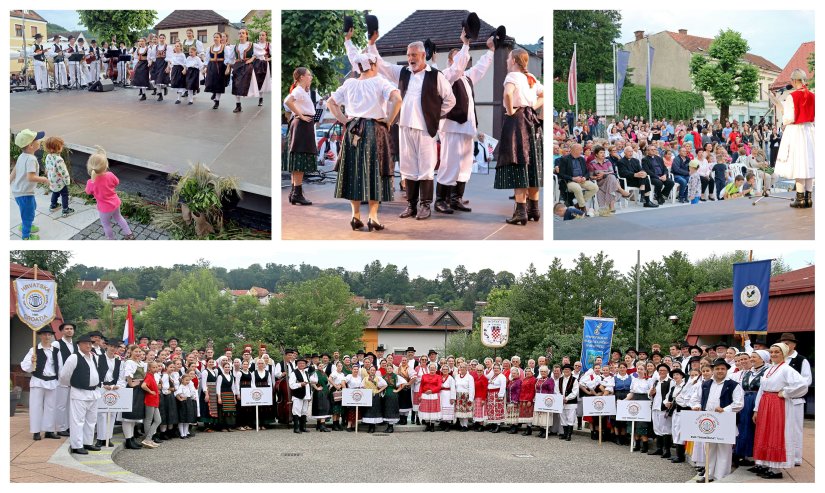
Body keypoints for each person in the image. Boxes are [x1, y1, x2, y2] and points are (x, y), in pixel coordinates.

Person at [369, 34, 456, 221]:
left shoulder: (436, 75)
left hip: (425, 129)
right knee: (408, 167)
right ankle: (411, 205)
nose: (410, 59)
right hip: (404, 126)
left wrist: (435, 116)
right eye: (408, 55)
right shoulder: (403, 72)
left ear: (423, 55)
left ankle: (425, 206)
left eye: (414, 55)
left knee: (425, 167)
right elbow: (381, 65)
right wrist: (371, 44)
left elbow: (450, 100)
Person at [326, 53, 402, 231]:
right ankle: (373, 217)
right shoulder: (379, 81)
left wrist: (345, 120)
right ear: (373, 65)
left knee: (355, 171)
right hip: (374, 129)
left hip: (353, 129)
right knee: (375, 170)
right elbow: (397, 99)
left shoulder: (349, 83)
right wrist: (390, 120)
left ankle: (355, 216)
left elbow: (331, 102)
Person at [436, 30, 494, 214]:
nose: (463, 61)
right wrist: (465, 44)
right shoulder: (446, 75)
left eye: (465, 58)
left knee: (465, 165)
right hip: (452, 127)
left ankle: (456, 198)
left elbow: (480, 68)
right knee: (449, 164)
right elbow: (456, 69)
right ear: (450, 61)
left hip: (466, 128)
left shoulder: (467, 78)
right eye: (459, 58)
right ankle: (440, 200)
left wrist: (491, 51)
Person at [494, 48, 544, 224]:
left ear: (514, 60)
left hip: (517, 122)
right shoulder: (531, 78)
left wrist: (511, 110)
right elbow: (544, 95)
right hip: (532, 121)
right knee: (532, 166)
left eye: (508, 58)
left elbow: (507, 94)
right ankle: (534, 210)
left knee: (519, 163)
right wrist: (532, 107)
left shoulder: (513, 76)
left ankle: (521, 212)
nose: (507, 61)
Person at [752, 343, 809, 479]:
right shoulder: (769, 369)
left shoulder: (786, 369)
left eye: (777, 352)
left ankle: (776, 470)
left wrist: (786, 393)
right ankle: (767, 464)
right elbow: (762, 389)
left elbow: (802, 384)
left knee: (776, 433)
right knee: (766, 433)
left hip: (778, 405)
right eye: (771, 352)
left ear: (783, 353)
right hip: (766, 403)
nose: (773, 354)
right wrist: (756, 409)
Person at [689, 358, 744, 482]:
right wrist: (696, 406)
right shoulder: (705, 384)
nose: (720, 371)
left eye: (722, 369)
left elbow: (739, 403)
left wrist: (725, 409)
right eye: (717, 368)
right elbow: (695, 399)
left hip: (725, 420)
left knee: (724, 449)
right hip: (708, 420)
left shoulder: (733, 385)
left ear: (726, 370)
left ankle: (721, 477)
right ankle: (709, 475)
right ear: (713, 370)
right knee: (709, 448)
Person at [772, 69, 815, 208]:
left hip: (796, 131)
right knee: (809, 164)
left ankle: (800, 198)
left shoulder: (792, 96)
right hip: (809, 130)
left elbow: (789, 118)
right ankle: (809, 198)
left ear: (795, 80)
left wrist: (782, 110)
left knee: (799, 163)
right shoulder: (813, 96)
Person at [57, 334, 102, 455]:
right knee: (78, 420)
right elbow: (64, 376)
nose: (88, 345)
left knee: (91, 420)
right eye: (85, 343)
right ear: (79, 344)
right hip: (79, 392)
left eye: (90, 343)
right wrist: (74, 384)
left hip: (93, 393)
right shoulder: (74, 357)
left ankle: (88, 442)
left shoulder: (93, 357)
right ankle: (77, 445)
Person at [283, 67, 317, 207]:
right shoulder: (298, 90)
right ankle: (297, 194)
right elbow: (287, 101)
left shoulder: (302, 91)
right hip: (302, 125)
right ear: (302, 77)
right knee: (299, 160)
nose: (311, 77)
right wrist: (301, 115)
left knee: (298, 159)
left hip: (302, 126)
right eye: (309, 75)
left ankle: (294, 193)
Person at [778, 332, 812, 467]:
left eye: (788, 343)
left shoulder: (801, 360)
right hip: (778, 399)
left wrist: (787, 391)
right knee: (781, 429)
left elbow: (806, 381)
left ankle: (796, 457)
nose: (785, 345)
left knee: (795, 429)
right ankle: (782, 455)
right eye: (783, 343)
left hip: (795, 400)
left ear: (794, 345)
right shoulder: (778, 359)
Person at [20, 327, 61, 440]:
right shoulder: (34, 350)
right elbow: (24, 366)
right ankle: (36, 431)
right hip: (38, 380)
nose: (47, 337)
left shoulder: (56, 351)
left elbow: (60, 366)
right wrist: (31, 361)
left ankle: (49, 430)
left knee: (51, 407)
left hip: (52, 381)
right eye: (44, 335)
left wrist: (60, 380)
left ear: (51, 336)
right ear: (39, 336)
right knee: (36, 406)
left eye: (49, 335)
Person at [84, 147, 134, 240]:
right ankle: (129, 234)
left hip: (104, 209)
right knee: (119, 217)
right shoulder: (110, 175)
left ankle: (111, 239)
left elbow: (88, 192)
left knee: (106, 224)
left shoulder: (91, 182)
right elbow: (117, 182)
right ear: (106, 165)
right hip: (115, 203)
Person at [11, 129, 49, 240]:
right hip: (24, 193)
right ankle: (26, 236)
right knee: (28, 215)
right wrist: (44, 179)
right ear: (31, 145)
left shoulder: (21, 156)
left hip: (19, 191)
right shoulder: (31, 159)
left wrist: (8, 180)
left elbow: (14, 171)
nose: (40, 141)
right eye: (37, 139)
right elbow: (30, 177)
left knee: (31, 209)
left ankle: (25, 225)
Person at [94, 338, 123, 447]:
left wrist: (118, 386)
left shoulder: (119, 361)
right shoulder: (98, 358)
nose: (112, 348)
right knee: (101, 414)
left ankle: (108, 437)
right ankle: (100, 438)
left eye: (115, 347)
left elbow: (121, 376)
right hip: (102, 386)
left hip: (114, 387)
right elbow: (95, 373)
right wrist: (101, 384)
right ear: (107, 346)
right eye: (111, 346)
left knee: (112, 414)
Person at [228, 28, 259, 113]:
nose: (241, 34)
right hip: (237, 66)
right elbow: (230, 58)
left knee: (245, 83)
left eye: (243, 33)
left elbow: (258, 54)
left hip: (247, 66)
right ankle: (238, 105)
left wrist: (251, 59)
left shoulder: (252, 45)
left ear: (246, 35)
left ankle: (258, 98)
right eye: (239, 33)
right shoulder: (235, 46)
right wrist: (229, 65)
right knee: (236, 85)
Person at [43, 136, 75, 217]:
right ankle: (65, 210)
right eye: (61, 145)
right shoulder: (59, 159)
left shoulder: (48, 156)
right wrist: (67, 181)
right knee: (64, 194)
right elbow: (64, 172)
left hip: (52, 180)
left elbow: (47, 167)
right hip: (60, 182)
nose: (62, 147)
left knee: (55, 192)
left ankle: (53, 205)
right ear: (55, 148)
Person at [649, 364, 673, 457]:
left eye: (664, 370)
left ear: (667, 371)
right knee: (657, 428)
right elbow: (651, 394)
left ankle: (666, 450)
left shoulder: (670, 381)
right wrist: (651, 393)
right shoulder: (656, 381)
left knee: (665, 428)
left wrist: (667, 403)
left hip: (663, 408)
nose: (662, 372)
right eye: (660, 370)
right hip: (655, 407)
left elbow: (671, 394)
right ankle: (659, 448)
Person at [140, 361, 162, 448]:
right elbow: (143, 386)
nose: (156, 369)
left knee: (158, 420)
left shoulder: (152, 376)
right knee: (149, 420)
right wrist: (150, 391)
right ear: (149, 368)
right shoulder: (149, 376)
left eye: (156, 367)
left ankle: (148, 439)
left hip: (154, 401)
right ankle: (148, 439)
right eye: (154, 367)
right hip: (150, 400)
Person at [289, 356, 312, 433]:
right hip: (298, 395)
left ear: (305, 364)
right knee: (296, 410)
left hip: (306, 395)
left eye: (303, 363)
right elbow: (291, 385)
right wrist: (300, 384)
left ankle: (303, 427)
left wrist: (309, 395)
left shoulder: (306, 373)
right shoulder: (294, 373)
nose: (302, 364)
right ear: (297, 364)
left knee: (304, 411)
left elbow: (308, 385)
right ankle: (296, 428)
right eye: (300, 363)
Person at [556, 363, 579, 441]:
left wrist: (567, 398)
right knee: (563, 418)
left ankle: (569, 435)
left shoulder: (574, 380)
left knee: (570, 418)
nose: (566, 371)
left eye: (568, 370)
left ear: (571, 371)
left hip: (571, 402)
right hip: (561, 402)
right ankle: (565, 434)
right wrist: (560, 398)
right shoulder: (560, 379)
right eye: (565, 369)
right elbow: (557, 390)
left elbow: (575, 392)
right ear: (562, 371)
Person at [381, 363, 406, 433]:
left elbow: (404, 383)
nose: (389, 369)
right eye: (388, 368)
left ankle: (391, 427)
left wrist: (398, 390)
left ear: (392, 369)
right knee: (387, 409)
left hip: (393, 394)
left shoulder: (396, 376)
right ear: (386, 369)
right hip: (386, 394)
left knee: (392, 409)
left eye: (390, 368)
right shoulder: (383, 376)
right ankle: (389, 426)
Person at [204, 33, 227, 109]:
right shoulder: (209, 48)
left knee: (219, 84)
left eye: (217, 37)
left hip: (220, 67)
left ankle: (217, 101)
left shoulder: (224, 47)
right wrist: (205, 67)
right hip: (211, 66)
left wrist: (228, 67)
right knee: (210, 82)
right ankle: (214, 92)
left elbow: (227, 58)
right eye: (214, 37)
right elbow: (207, 59)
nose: (215, 38)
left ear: (220, 38)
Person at [418, 363, 442, 432]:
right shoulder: (424, 376)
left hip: (434, 395)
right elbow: (421, 386)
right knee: (426, 410)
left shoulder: (438, 376)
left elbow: (439, 386)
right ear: (428, 368)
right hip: (425, 395)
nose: (432, 369)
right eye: (431, 368)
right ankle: (428, 425)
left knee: (433, 410)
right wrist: (419, 395)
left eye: (433, 368)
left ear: (436, 369)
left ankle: (432, 426)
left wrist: (432, 391)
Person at [309, 361, 332, 432]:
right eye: (320, 366)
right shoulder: (315, 373)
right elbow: (312, 382)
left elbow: (328, 382)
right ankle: (322, 426)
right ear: (317, 366)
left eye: (322, 366)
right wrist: (316, 388)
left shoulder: (324, 373)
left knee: (324, 407)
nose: (321, 367)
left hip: (324, 392)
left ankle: (319, 425)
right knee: (321, 408)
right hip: (319, 393)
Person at [174, 372, 198, 439]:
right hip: (183, 403)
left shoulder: (188, 386)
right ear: (182, 380)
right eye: (186, 380)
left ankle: (185, 433)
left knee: (187, 418)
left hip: (188, 401)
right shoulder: (181, 386)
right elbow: (177, 394)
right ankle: (182, 434)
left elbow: (191, 393)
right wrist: (180, 399)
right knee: (182, 418)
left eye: (188, 380)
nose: (188, 381)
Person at [216, 361, 237, 432]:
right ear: (223, 368)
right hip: (223, 395)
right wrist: (219, 397)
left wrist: (234, 398)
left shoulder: (231, 377)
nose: (227, 368)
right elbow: (218, 387)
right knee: (223, 411)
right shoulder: (220, 376)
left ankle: (230, 426)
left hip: (230, 395)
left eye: (228, 367)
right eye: (226, 367)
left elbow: (233, 388)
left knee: (230, 411)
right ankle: (223, 427)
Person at [252, 31, 272, 107]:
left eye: (263, 35)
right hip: (255, 63)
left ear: (266, 36)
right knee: (255, 79)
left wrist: (268, 59)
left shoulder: (268, 45)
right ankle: (254, 93)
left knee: (262, 80)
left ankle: (261, 98)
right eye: (260, 35)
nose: (261, 36)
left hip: (264, 64)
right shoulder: (255, 45)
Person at [149, 34, 170, 101]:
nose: (161, 39)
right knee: (154, 80)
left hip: (164, 63)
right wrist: (150, 63)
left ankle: (164, 88)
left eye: (163, 38)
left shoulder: (168, 47)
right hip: (157, 64)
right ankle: (160, 93)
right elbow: (152, 56)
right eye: (160, 38)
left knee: (160, 79)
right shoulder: (155, 47)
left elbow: (169, 57)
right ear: (159, 39)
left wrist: (168, 66)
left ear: (165, 39)